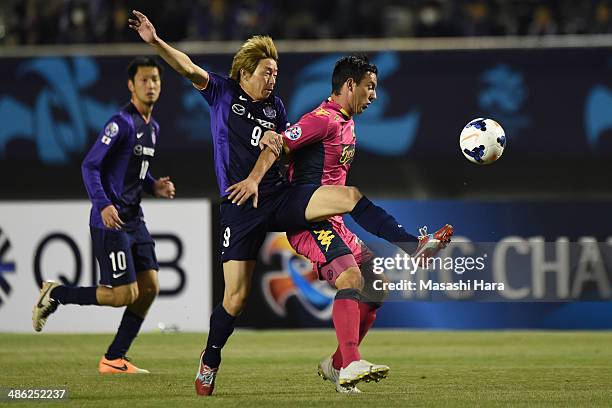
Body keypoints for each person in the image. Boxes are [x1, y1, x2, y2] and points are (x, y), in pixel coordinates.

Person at [128, 10, 450, 396]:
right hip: (240, 206)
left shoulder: (276, 108)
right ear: (244, 72)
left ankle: (408, 247)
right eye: (266, 71)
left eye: (276, 73)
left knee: (348, 200)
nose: (272, 79)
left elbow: (277, 148)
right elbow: (187, 67)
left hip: (279, 196)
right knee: (236, 299)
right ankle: (210, 358)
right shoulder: (222, 92)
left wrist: (260, 172)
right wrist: (155, 41)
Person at [233, 55, 454, 393]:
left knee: (377, 285)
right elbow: (279, 143)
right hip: (308, 218)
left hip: (333, 220)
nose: (374, 96)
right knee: (351, 273)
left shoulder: (346, 121)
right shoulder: (321, 119)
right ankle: (351, 361)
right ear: (350, 85)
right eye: (370, 88)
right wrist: (255, 175)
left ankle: (336, 364)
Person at [32, 57, 176, 375]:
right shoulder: (119, 123)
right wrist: (103, 204)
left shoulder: (153, 127)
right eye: (144, 80)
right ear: (131, 85)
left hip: (134, 218)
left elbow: (135, 167)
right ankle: (57, 294)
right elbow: (90, 165)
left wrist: (155, 186)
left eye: (155, 79)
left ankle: (114, 358)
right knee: (124, 294)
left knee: (150, 287)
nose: (151, 85)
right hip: (110, 220)